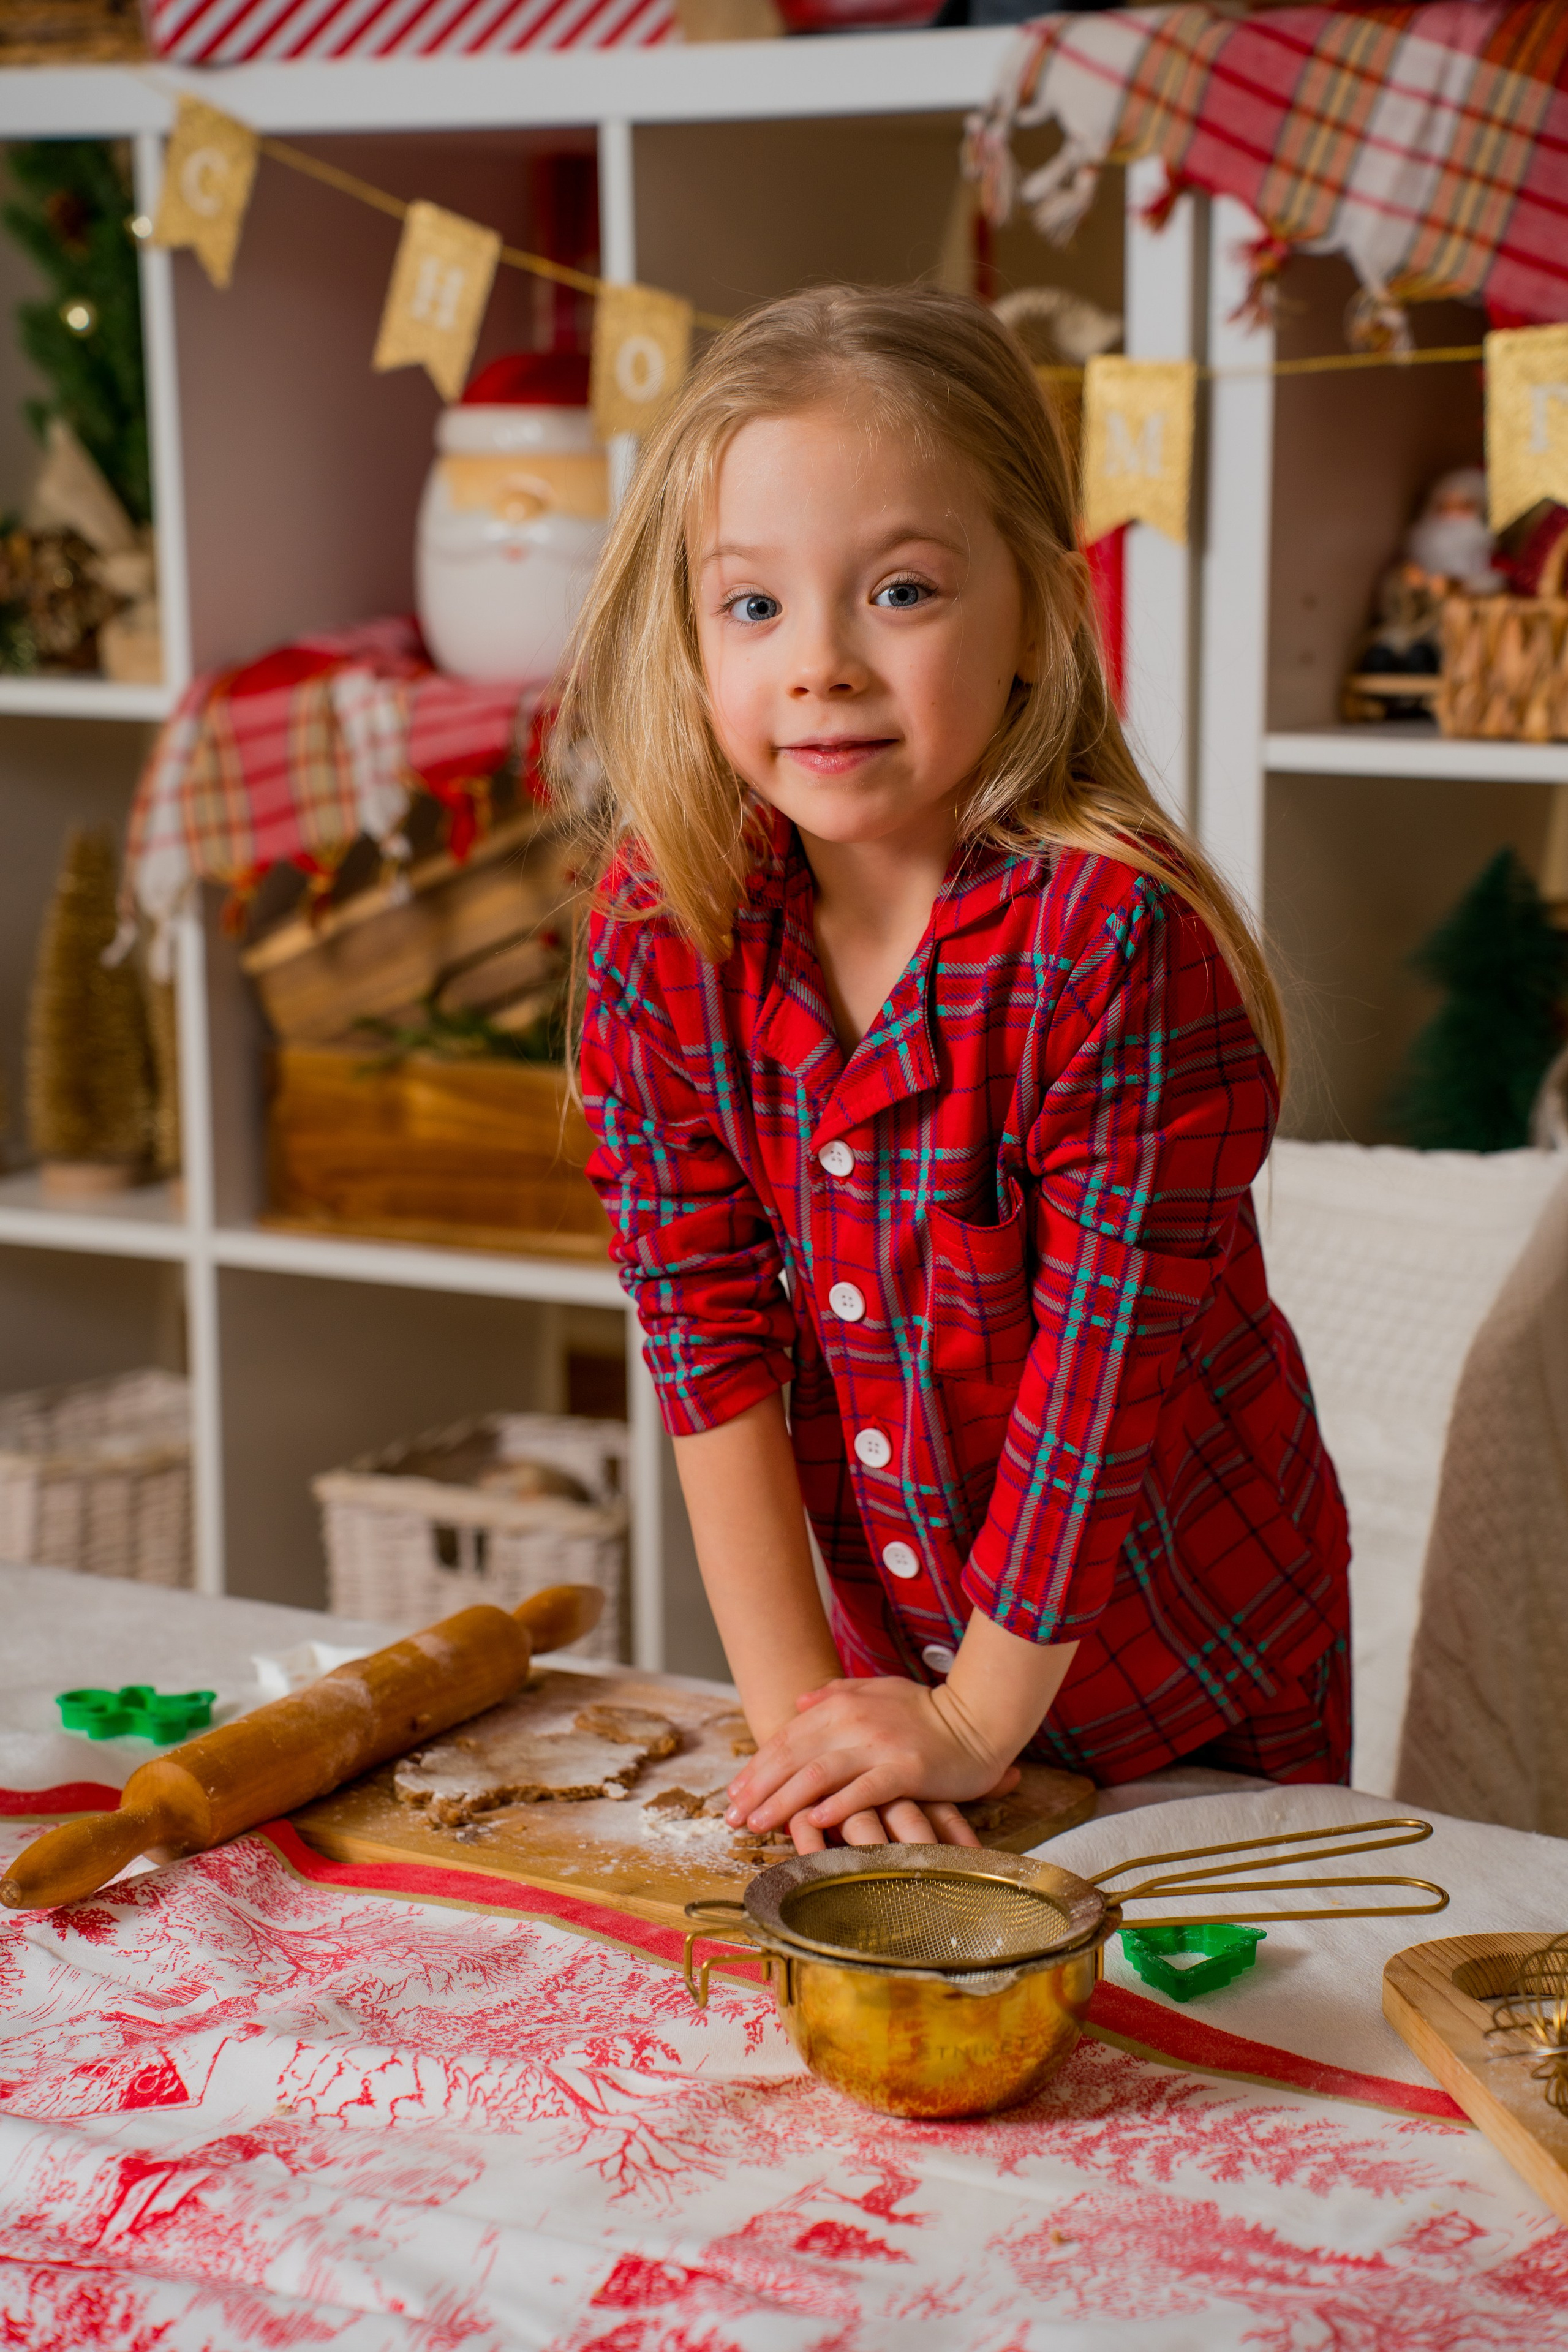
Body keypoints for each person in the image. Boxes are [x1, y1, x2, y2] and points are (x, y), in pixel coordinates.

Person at [556, 284, 1349, 1856]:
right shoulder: (661, 929)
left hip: (1189, 1688)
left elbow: (1095, 1387)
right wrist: (805, 1742)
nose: (821, 667)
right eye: (754, 606)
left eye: (901, 591)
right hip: (890, 1682)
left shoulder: (1113, 939)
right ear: (689, 626)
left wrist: (979, 1718)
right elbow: (704, 1346)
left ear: (1043, 612)